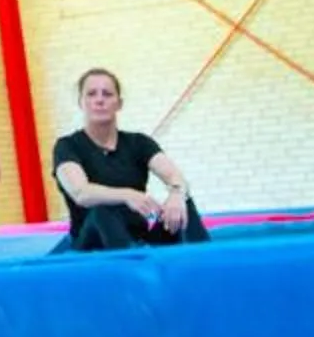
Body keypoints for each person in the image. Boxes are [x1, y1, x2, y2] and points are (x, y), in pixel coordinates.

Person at [50, 67, 206, 252]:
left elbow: (174, 175)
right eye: (91, 94)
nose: (99, 100)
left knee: (183, 205)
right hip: (92, 245)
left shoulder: (138, 143)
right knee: (101, 211)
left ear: (119, 103)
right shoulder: (67, 146)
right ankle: (132, 268)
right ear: (81, 103)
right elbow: (81, 193)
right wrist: (128, 195)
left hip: (138, 240)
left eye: (107, 94)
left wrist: (177, 194)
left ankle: (207, 268)